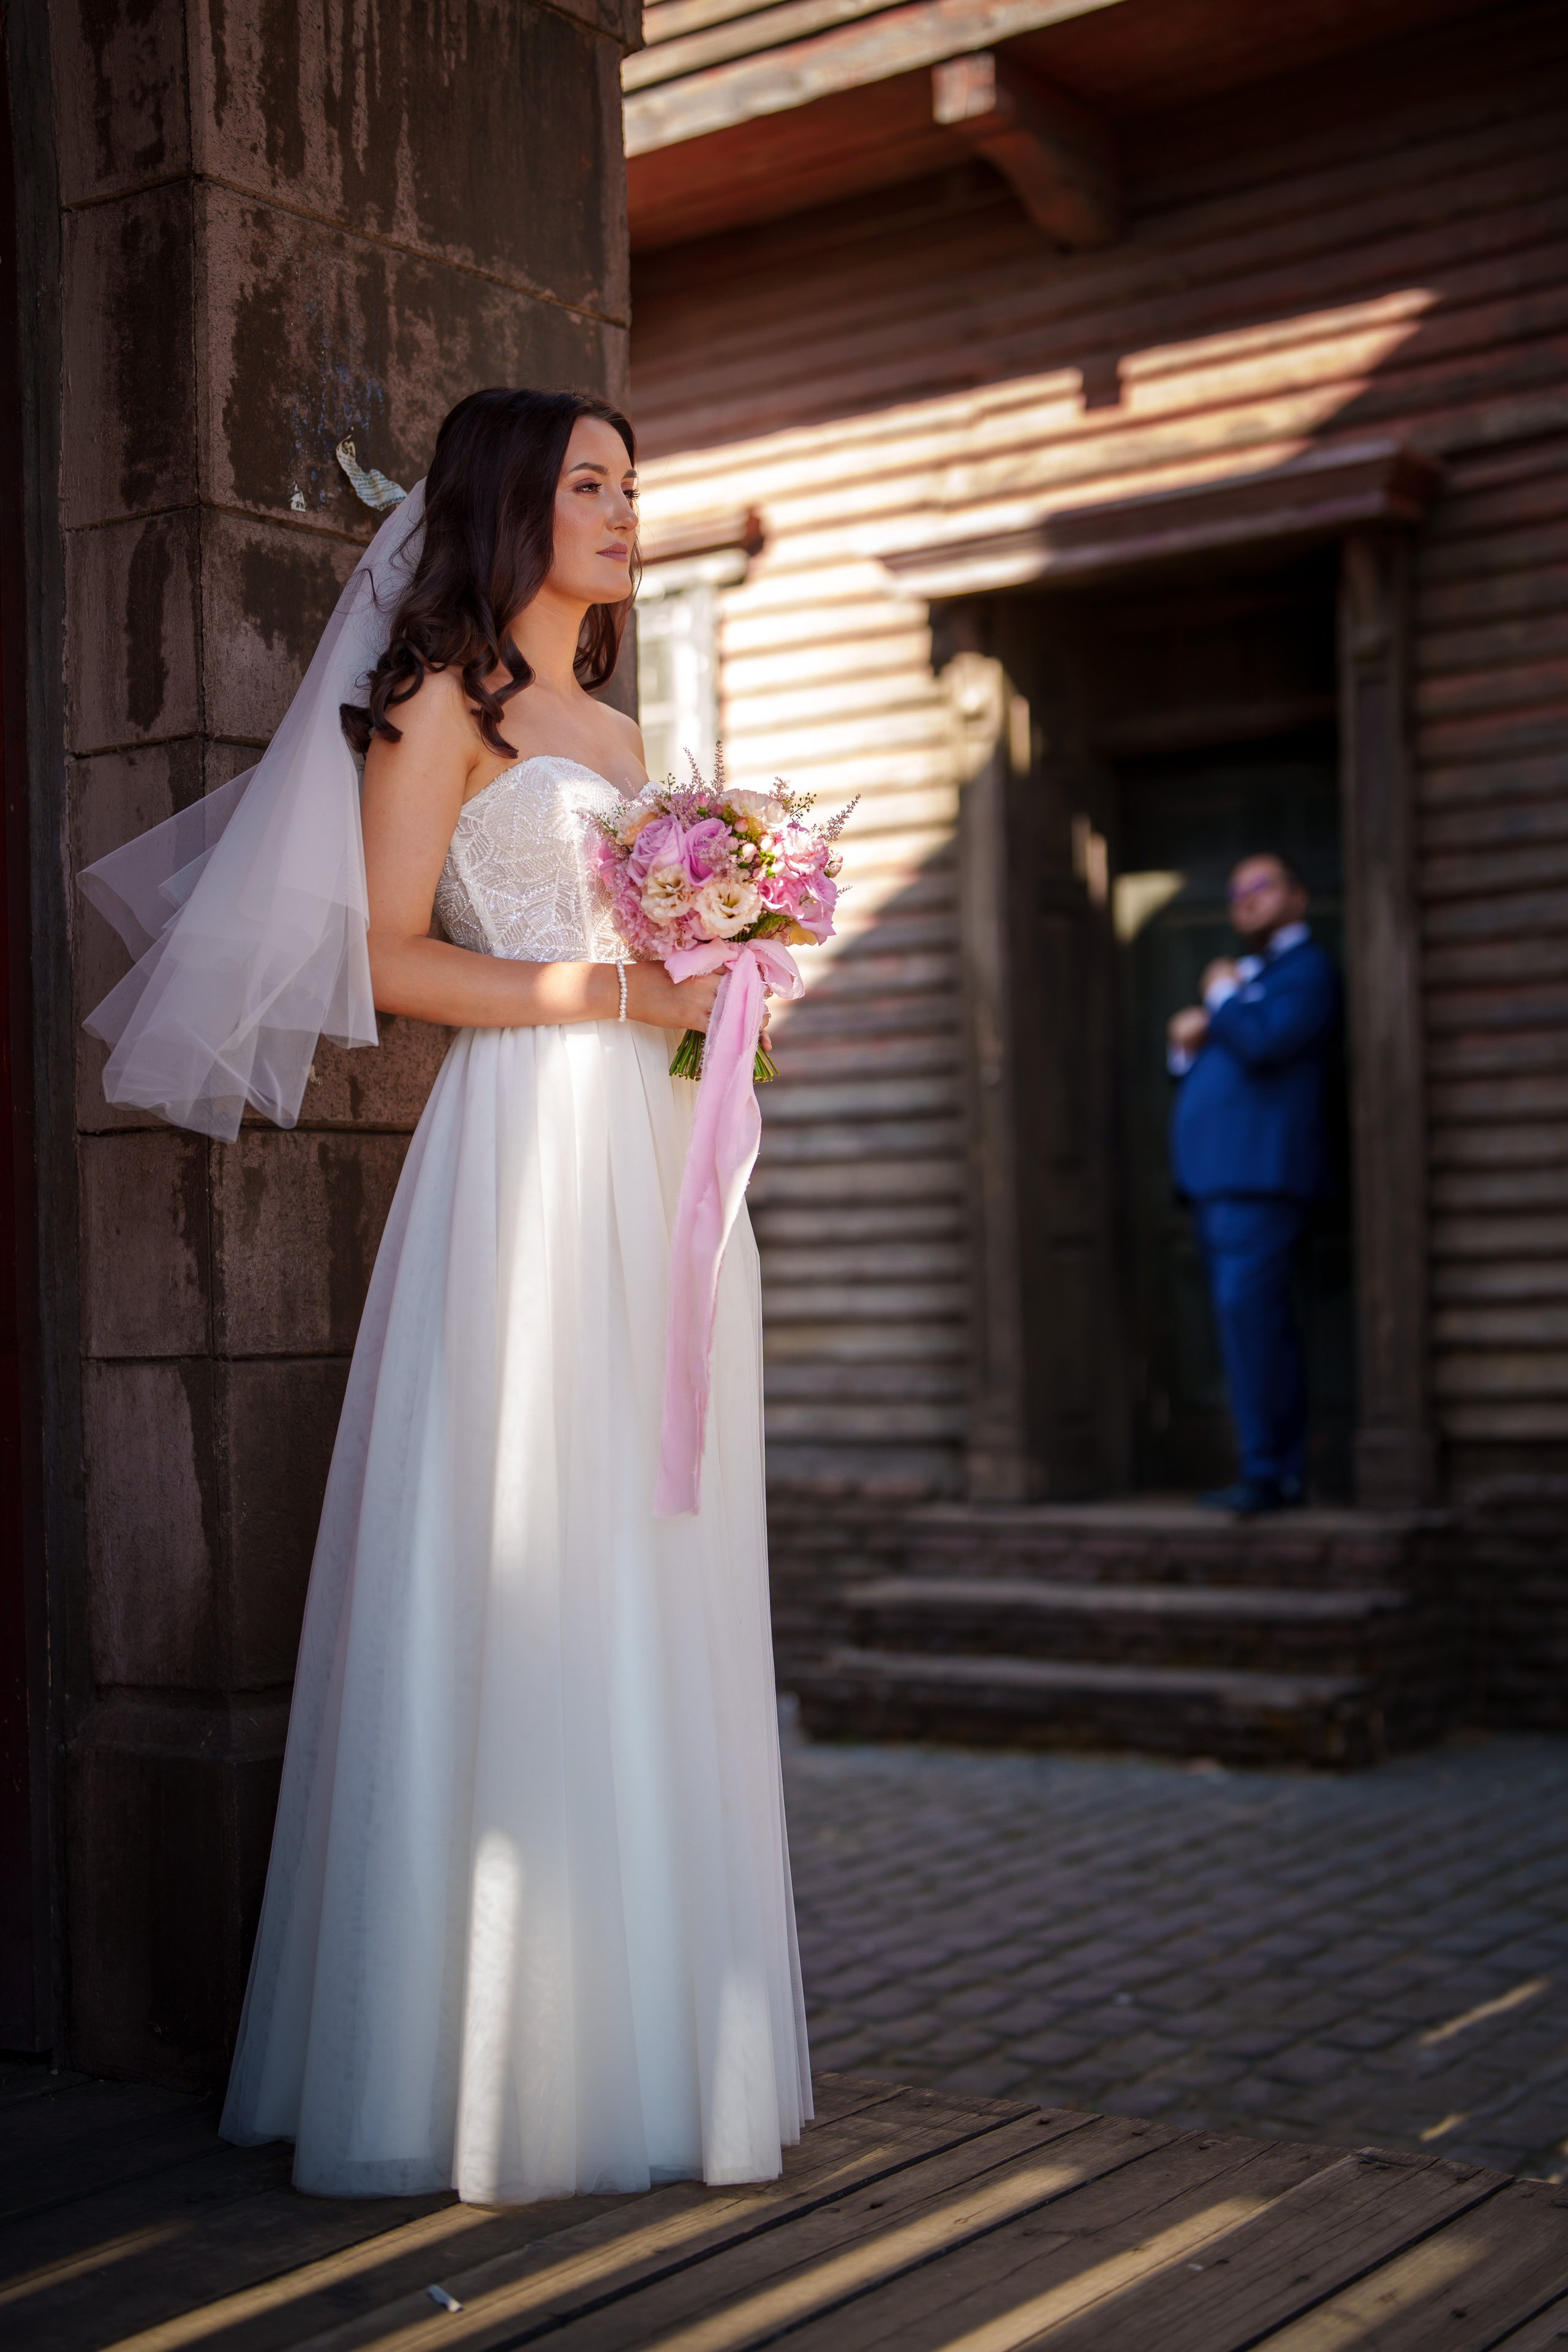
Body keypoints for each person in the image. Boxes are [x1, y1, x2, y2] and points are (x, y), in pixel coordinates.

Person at [79, 388, 811, 2203]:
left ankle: (651, 2038)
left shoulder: (620, 726)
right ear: (506, 504)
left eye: (632, 483)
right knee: (532, 1534)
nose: (624, 510)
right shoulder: (436, 702)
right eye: (588, 483)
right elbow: (393, 956)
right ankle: (489, 2058)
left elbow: (659, 955)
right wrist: (617, 995)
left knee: (653, 1546)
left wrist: (730, 986)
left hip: (649, 1154)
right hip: (529, 1156)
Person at [1166, 853, 1340, 1517]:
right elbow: (1225, 1069)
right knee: (1250, 1328)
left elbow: (1266, 1045)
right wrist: (1186, 1045)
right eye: (1236, 890)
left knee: (1252, 1326)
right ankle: (1272, 1468)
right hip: (1219, 1184)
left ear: (1298, 896)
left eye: (1261, 886)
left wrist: (1218, 996)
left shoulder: (1305, 971)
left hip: (1262, 1183)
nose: (1245, 898)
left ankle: (1269, 1473)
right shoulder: (1250, 981)